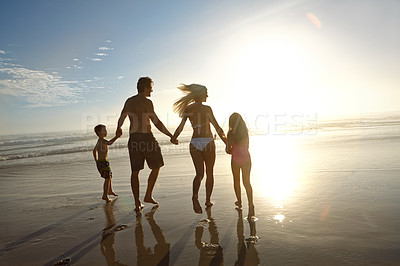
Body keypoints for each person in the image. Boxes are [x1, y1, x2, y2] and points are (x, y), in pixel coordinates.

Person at [116, 76, 177, 212]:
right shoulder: (147, 102)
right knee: (157, 165)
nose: (152, 90)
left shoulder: (129, 101)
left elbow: (122, 117)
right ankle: (148, 195)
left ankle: (137, 203)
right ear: (145, 88)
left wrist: (118, 128)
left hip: (133, 139)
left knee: (135, 171)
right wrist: (170, 135)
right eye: (150, 88)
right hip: (146, 139)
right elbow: (156, 122)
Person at [171, 84, 226, 214]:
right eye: (206, 93)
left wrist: (174, 137)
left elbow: (181, 126)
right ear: (200, 94)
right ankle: (207, 200)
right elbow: (217, 128)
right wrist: (227, 143)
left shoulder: (188, 109)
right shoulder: (207, 109)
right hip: (207, 141)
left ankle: (194, 197)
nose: (207, 95)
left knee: (199, 174)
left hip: (194, 142)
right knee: (210, 173)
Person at [225, 112, 255, 218]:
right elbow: (247, 146)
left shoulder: (230, 134)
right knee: (247, 182)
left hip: (236, 159)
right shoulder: (245, 132)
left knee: (236, 180)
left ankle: (239, 201)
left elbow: (228, 150)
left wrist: (229, 146)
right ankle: (251, 205)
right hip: (246, 157)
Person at [93, 124, 121, 202]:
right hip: (103, 163)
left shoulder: (99, 141)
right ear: (99, 132)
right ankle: (104, 195)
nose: (106, 132)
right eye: (104, 130)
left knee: (110, 176)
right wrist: (116, 137)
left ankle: (110, 191)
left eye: (106, 130)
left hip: (103, 162)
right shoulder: (102, 140)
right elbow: (109, 143)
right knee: (107, 178)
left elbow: (94, 151)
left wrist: (96, 161)